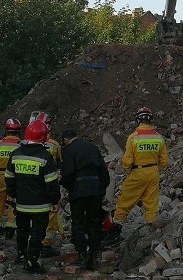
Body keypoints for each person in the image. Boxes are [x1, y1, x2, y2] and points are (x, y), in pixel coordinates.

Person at [5, 120, 61, 273]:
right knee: (37, 233)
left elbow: (9, 177)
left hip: (21, 203)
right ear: (44, 138)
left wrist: (13, 194)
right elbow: (51, 183)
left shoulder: (15, 154)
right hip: (40, 205)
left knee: (22, 230)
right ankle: (31, 261)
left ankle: (21, 255)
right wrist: (55, 201)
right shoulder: (46, 156)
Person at [110, 107, 169, 236]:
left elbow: (127, 161)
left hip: (138, 172)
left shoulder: (133, 138)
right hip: (153, 172)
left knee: (125, 200)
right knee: (151, 202)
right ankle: (151, 230)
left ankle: (115, 228)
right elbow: (164, 161)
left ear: (138, 120)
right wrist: (156, 168)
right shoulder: (159, 138)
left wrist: (127, 171)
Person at [60, 129, 110, 270]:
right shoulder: (92, 147)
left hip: (79, 189)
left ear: (65, 139)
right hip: (96, 189)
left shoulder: (68, 150)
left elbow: (67, 173)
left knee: (78, 222)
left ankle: (82, 254)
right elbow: (103, 171)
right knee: (93, 221)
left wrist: (67, 186)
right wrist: (102, 187)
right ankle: (93, 255)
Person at [29, 111, 64, 257]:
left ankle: (34, 242)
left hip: (32, 185)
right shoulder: (54, 145)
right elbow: (60, 164)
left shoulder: (26, 145)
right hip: (49, 184)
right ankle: (44, 243)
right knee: (51, 213)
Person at [0, 117, 22, 238]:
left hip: (0, 176)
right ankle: (11, 228)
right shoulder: (21, 145)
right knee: (14, 201)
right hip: (17, 177)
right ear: (19, 131)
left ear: (6, 131)